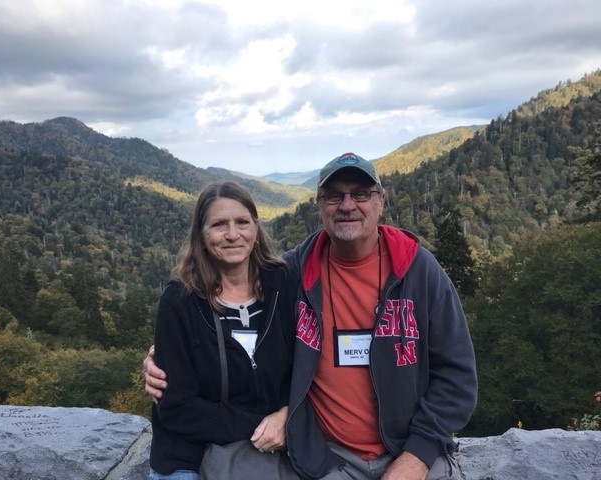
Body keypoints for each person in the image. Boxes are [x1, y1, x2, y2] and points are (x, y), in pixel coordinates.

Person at [145, 153, 477, 480]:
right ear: (318, 205)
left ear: (381, 200)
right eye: (334, 196)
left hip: (408, 450)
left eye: (361, 193)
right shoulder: (293, 273)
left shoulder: (419, 272)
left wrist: (417, 456)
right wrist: (163, 356)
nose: (347, 205)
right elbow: (229, 319)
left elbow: (457, 376)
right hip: (326, 456)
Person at [148, 181, 300, 480]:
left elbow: (310, 367)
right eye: (219, 225)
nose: (232, 234)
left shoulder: (284, 284)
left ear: (256, 229)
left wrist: (288, 415)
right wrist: (267, 423)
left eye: (242, 222)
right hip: (189, 455)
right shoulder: (179, 301)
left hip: (271, 450)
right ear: (201, 235)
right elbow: (176, 408)